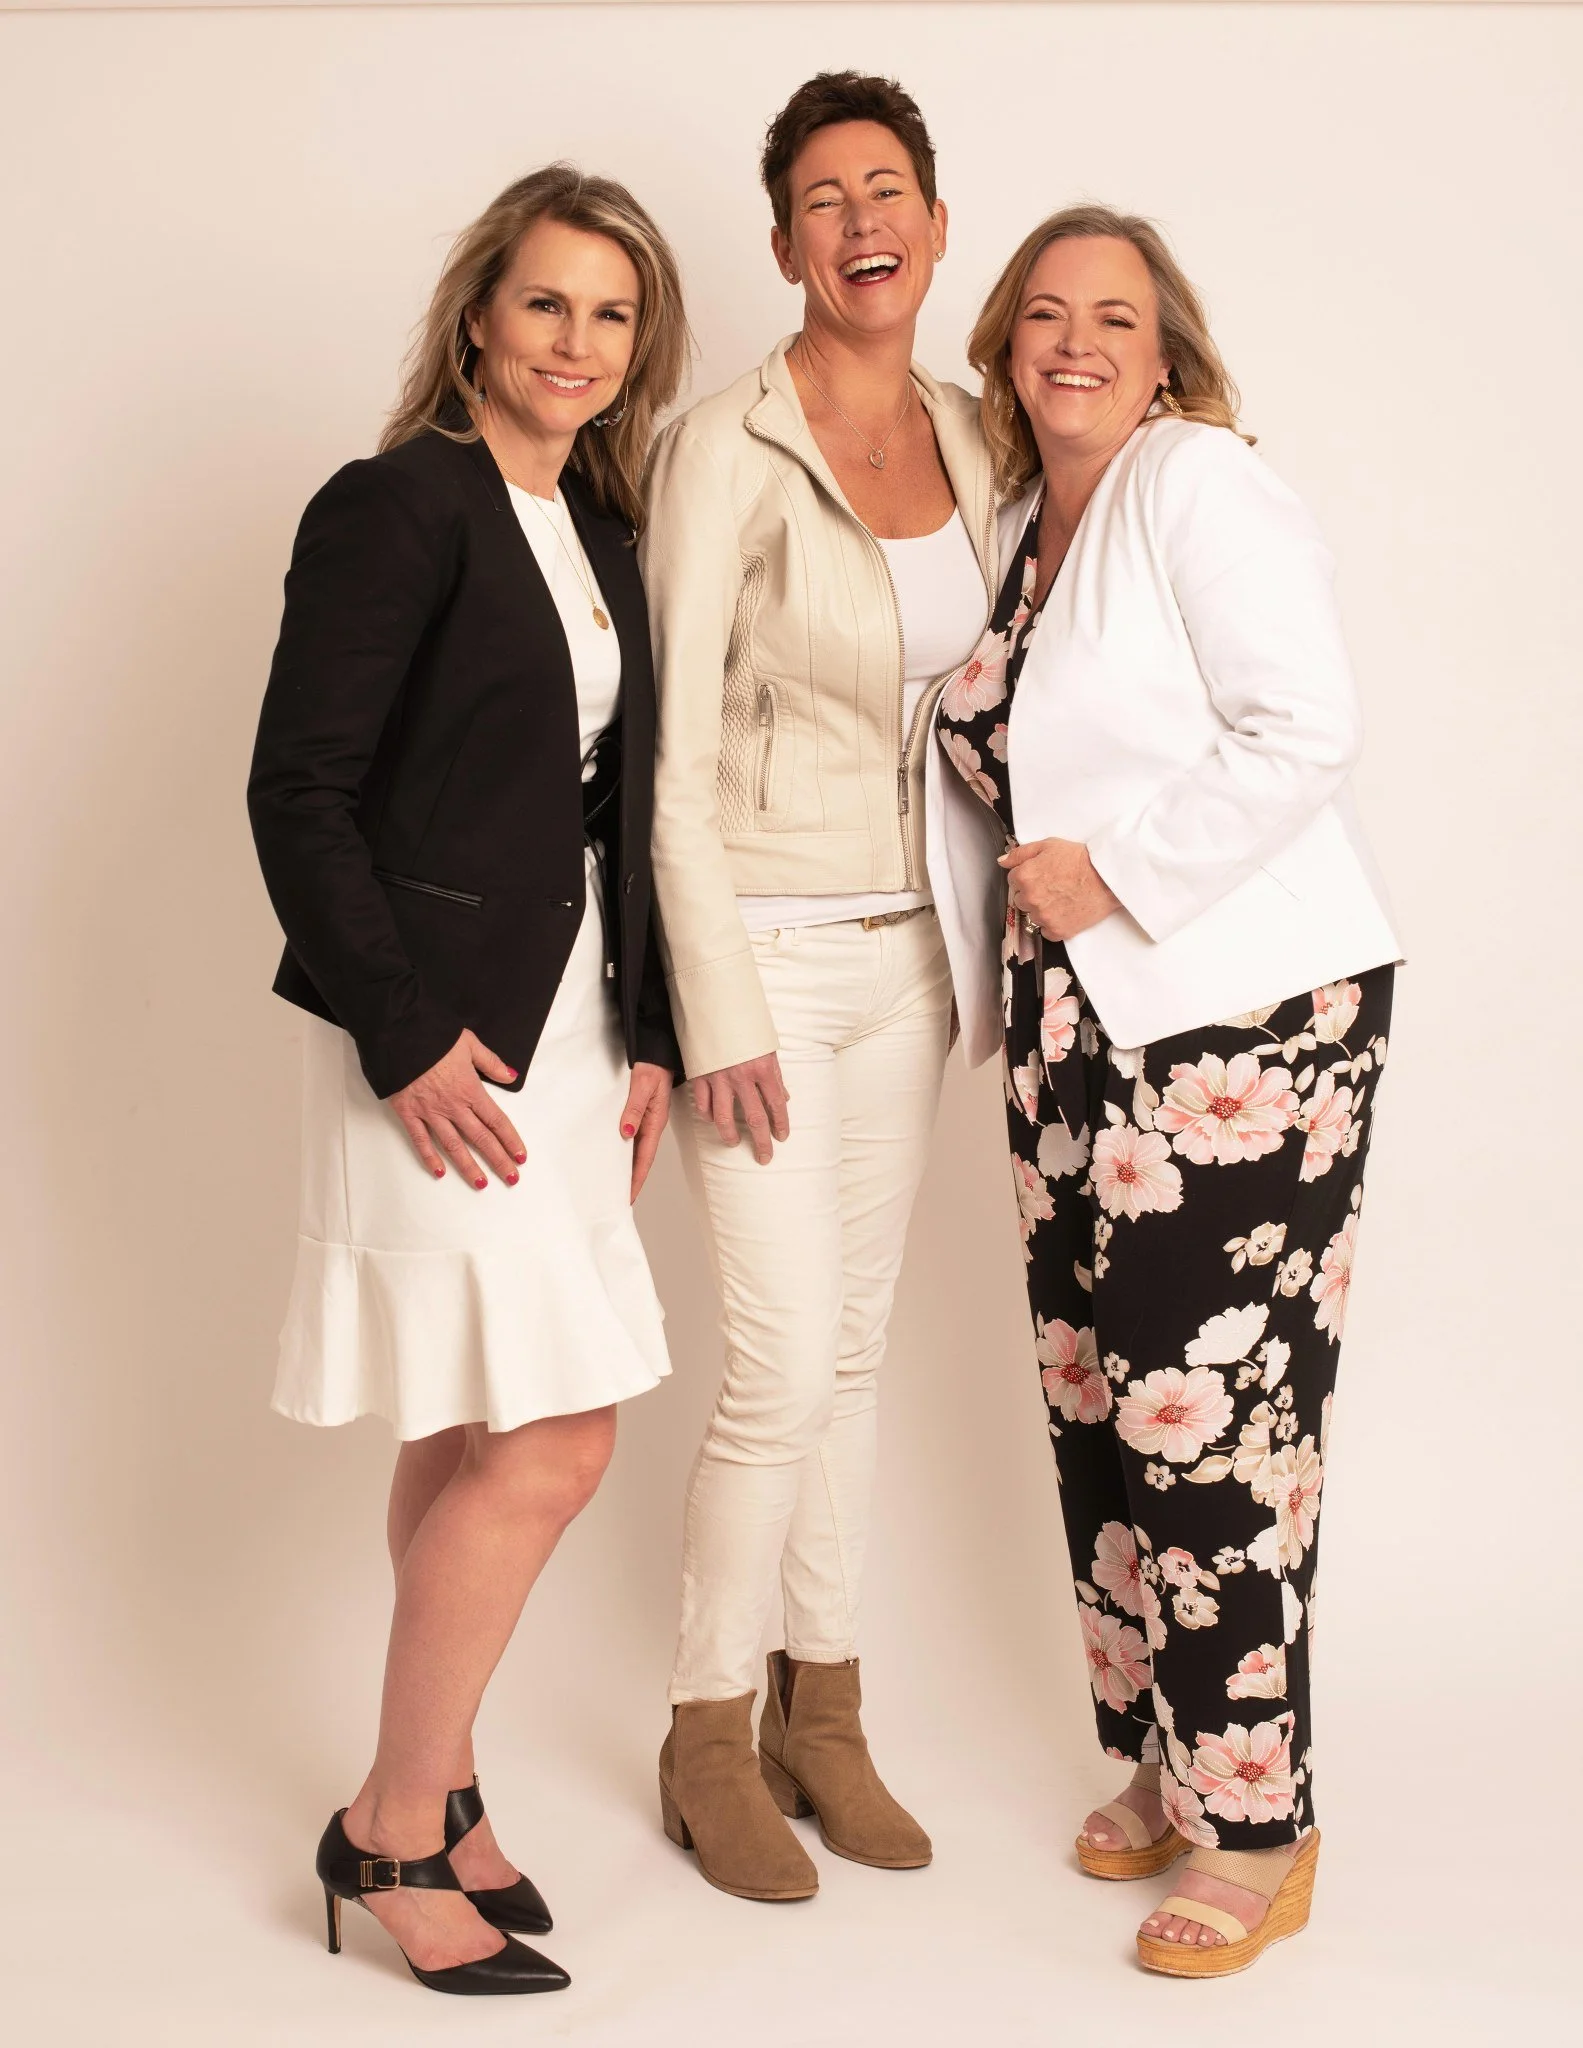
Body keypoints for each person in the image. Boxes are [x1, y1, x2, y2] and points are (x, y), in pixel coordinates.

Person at [930, 204, 1401, 1977]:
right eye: (1042, 314)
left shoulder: (1196, 482)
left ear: (1164, 347)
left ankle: (1258, 1821)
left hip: (1237, 1027)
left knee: (1209, 1425)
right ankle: (1166, 1752)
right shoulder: (1019, 532)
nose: (1073, 341)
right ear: (1002, 344)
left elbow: (1304, 727)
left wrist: (1110, 874)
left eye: (1110, 316)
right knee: (1092, 1402)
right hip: (1073, 1029)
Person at [247, 164, 688, 1994]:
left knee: (475, 1420)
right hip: (442, 1046)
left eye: (611, 314)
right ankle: (390, 1828)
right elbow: (301, 792)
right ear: (478, 319)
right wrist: (404, 1032)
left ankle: (447, 1776)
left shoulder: (591, 527)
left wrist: (648, 1031)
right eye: (545, 305)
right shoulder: (394, 506)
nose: (577, 343)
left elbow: (609, 807)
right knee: (552, 1439)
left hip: (574, 1042)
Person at [640, 72, 996, 1900]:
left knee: (848, 1356)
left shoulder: (977, 434)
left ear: (935, 225)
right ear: (783, 244)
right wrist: (713, 1006)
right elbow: (669, 757)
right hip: (766, 953)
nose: (861, 221)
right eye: (822, 198)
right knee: (774, 1367)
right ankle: (705, 1729)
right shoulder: (724, 445)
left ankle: (824, 1718)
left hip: (914, 958)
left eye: (890, 189)